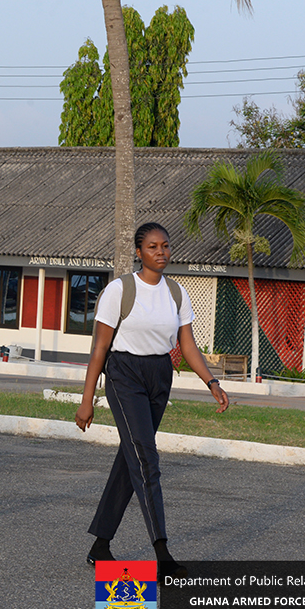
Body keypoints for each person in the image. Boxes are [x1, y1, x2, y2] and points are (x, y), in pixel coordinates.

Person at [74, 222, 228, 577]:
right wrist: (88, 399)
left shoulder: (177, 293)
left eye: (166, 246)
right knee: (146, 458)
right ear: (139, 252)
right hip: (124, 374)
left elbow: (186, 344)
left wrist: (212, 381)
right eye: (153, 247)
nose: (161, 252)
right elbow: (99, 347)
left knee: (133, 457)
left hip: (160, 375)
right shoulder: (120, 290)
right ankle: (163, 556)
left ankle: (100, 545)